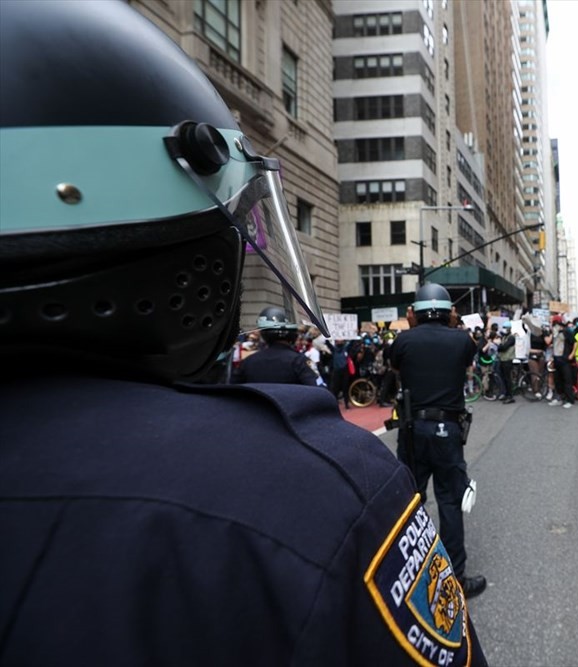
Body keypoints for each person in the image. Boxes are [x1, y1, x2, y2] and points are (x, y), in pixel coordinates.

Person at [0, 3, 488, 665]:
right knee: (447, 502)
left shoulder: (390, 352)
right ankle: (456, 562)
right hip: (439, 427)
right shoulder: (320, 489)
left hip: (411, 428)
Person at [389, 283, 488, 598]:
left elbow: (395, 365)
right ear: (450, 312)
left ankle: (408, 573)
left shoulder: (403, 341)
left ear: (413, 313)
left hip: (412, 431)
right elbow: (468, 358)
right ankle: (455, 577)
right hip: (448, 431)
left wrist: (412, 326)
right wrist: (455, 324)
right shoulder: (462, 340)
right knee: (450, 502)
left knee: (410, 502)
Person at [231, 307, 320, 385]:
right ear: (292, 334)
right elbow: (320, 391)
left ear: (264, 334)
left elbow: (234, 390)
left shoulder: (248, 362)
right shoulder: (300, 362)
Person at [549, 316, 576, 408]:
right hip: (557, 359)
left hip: (565, 360)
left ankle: (570, 400)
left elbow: (575, 343)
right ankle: (559, 398)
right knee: (558, 380)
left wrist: (572, 354)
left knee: (567, 380)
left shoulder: (567, 332)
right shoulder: (555, 333)